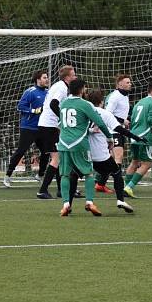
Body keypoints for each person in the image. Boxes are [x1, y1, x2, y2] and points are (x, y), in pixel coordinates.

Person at [55, 79, 113, 217]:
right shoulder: (85, 104)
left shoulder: (63, 104)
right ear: (81, 90)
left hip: (63, 143)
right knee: (88, 173)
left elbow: (59, 124)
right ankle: (89, 202)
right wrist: (109, 138)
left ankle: (65, 205)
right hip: (79, 144)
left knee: (65, 174)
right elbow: (100, 122)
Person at [37, 65, 78, 199]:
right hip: (49, 126)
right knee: (57, 158)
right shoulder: (61, 87)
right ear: (67, 77)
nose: (75, 77)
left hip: (49, 125)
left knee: (60, 157)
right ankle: (42, 190)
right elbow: (53, 104)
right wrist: (62, 120)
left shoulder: (61, 86)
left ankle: (61, 190)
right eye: (73, 75)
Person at [4, 70, 49, 187]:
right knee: (21, 151)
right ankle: (7, 176)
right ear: (38, 80)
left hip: (42, 127)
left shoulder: (48, 93)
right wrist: (33, 111)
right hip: (28, 127)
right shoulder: (30, 92)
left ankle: (40, 175)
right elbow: (20, 106)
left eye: (47, 77)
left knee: (46, 151)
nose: (47, 79)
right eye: (44, 77)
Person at [95, 74, 133, 194]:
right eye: (127, 82)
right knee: (118, 156)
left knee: (112, 157)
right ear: (119, 84)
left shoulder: (125, 96)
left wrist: (124, 121)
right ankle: (117, 185)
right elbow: (108, 113)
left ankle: (100, 183)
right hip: (112, 130)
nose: (130, 84)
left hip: (119, 129)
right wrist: (123, 120)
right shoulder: (115, 96)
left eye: (130, 82)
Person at [123, 81, 152, 198]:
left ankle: (125, 188)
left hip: (134, 136)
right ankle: (129, 187)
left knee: (134, 161)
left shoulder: (139, 103)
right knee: (147, 163)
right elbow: (150, 120)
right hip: (144, 137)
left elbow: (133, 119)